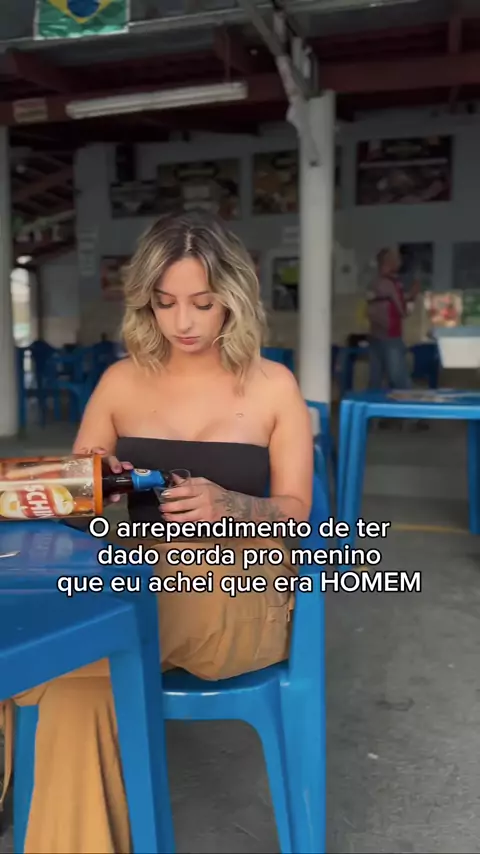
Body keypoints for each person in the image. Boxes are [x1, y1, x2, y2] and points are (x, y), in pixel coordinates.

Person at [0, 211, 313, 853]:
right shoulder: (121, 380)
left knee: (52, 645)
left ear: (233, 297)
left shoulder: (273, 386)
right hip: (130, 574)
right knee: (77, 692)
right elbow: (76, 503)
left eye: (203, 302)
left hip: (235, 588)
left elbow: (297, 511)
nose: (184, 322)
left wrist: (232, 502)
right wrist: (101, 485)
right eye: (166, 302)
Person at [366, 246, 419, 391]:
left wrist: (407, 296)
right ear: (389, 262)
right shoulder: (391, 284)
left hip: (374, 335)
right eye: (396, 259)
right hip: (391, 336)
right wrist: (412, 297)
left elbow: (383, 301)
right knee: (399, 380)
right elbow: (402, 311)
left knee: (375, 381)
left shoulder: (373, 283)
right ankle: (407, 405)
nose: (399, 262)